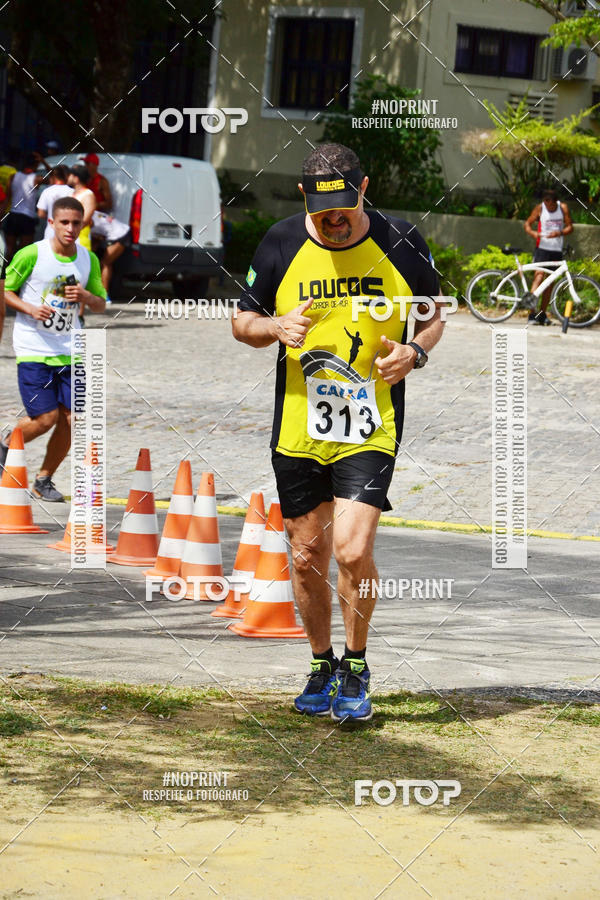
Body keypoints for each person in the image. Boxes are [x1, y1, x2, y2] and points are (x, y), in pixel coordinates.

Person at [232, 143, 444, 722]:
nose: (335, 218)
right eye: (324, 208)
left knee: (352, 549)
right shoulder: (280, 242)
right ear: (304, 195)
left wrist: (414, 354)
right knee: (305, 557)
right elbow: (240, 321)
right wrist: (272, 326)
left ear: (364, 187)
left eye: (345, 206)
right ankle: (321, 663)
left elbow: (433, 315)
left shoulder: (401, 240)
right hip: (298, 428)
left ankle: (356, 664)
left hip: (372, 424)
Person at [0, 197, 106, 496]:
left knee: (74, 420)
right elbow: (5, 290)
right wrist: (30, 309)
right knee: (45, 419)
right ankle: (6, 444)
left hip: (71, 348)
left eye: (77, 223)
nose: (71, 228)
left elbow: (100, 305)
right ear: (52, 223)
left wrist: (85, 296)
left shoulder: (88, 259)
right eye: (65, 222)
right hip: (33, 346)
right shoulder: (32, 254)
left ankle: (43, 480)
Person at [524, 189, 573, 326]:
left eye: (550, 203)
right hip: (542, 249)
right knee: (538, 278)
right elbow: (527, 224)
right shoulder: (540, 208)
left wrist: (559, 232)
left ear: (555, 201)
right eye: (545, 202)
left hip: (556, 250)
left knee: (549, 283)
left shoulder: (562, 208)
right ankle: (531, 313)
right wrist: (533, 233)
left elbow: (570, 227)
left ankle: (542, 314)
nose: (548, 205)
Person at [2, 152, 50, 264]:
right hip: (27, 218)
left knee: (9, 250)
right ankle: (20, 275)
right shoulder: (36, 179)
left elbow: (6, 200)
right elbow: (54, 176)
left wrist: (2, 216)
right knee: (25, 251)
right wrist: (43, 161)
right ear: (36, 164)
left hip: (12, 216)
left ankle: (5, 275)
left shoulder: (13, 177)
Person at [90, 209, 131, 301]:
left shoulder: (87, 219)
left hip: (120, 234)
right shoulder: (91, 211)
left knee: (105, 263)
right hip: (117, 231)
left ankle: (104, 296)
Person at [37, 166, 74, 239]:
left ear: (53, 177)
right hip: (68, 231)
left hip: (51, 231)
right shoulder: (72, 192)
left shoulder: (47, 191)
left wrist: (51, 217)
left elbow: (41, 214)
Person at [67, 165, 96, 251]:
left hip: (81, 242)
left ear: (76, 178)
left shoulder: (88, 195)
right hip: (70, 241)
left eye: (70, 175)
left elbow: (85, 221)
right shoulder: (71, 194)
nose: (67, 177)